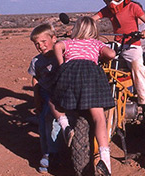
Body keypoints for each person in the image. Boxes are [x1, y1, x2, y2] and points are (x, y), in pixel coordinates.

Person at [52, 16, 116, 176]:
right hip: (89, 76)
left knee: (55, 101)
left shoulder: (70, 43)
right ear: (94, 31)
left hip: (70, 73)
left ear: (76, 29)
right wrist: (102, 53)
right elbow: (112, 54)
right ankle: (105, 161)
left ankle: (65, 125)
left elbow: (58, 45)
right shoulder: (96, 43)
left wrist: (62, 64)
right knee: (99, 118)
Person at [91, 0, 145, 115]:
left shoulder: (134, 7)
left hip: (132, 44)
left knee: (136, 65)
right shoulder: (107, 10)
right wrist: (78, 28)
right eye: (106, 0)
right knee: (96, 58)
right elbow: (93, 19)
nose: (109, 3)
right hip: (117, 44)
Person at [28, 23, 67, 174]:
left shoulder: (62, 56)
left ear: (54, 38)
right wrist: (37, 99)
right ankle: (48, 152)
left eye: (44, 42)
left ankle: (53, 153)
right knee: (44, 120)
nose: (41, 46)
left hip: (60, 94)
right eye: (37, 44)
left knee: (51, 119)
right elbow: (36, 81)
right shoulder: (37, 61)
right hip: (46, 95)